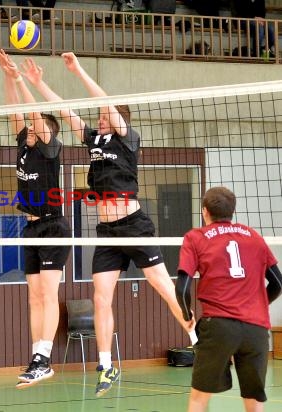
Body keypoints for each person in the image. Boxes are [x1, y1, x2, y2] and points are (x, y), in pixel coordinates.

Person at [19, 53, 195, 396]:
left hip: (134, 224)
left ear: (117, 120)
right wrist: (39, 83)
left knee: (161, 285)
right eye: (98, 118)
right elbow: (68, 112)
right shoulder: (94, 141)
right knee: (101, 298)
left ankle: (195, 336)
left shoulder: (127, 140)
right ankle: (106, 366)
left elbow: (105, 101)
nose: (99, 120)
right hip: (107, 232)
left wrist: (78, 70)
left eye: (104, 117)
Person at [0, 49, 71, 388]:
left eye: (34, 127)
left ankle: (44, 357)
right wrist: (9, 77)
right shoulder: (25, 145)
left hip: (53, 224)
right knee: (33, 295)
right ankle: (37, 356)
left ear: (45, 132)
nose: (27, 127)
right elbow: (16, 111)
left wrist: (24, 80)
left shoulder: (49, 148)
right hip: (30, 227)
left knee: (47, 293)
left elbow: (34, 113)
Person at [175, 186, 282, 412]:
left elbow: (182, 287)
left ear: (205, 211)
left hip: (220, 326)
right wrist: (257, 305)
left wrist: (187, 315)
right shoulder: (254, 236)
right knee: (254, 402)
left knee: (198, 399)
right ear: (233, 211)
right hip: (256, 329)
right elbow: (278, 284)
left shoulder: (196, 237)